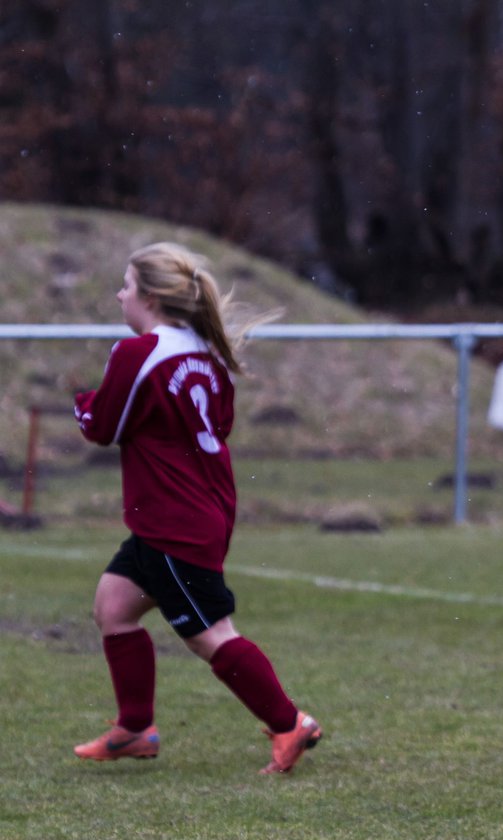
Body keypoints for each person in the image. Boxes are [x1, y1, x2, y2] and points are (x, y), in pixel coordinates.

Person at [71, 242, 322, 774]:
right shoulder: (208, 352)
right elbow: (218, 425)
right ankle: (135, 728)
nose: (119, 294)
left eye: (126, 285)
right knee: (114, 606)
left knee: (211, 636)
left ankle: (288, 723)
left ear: (151, 298)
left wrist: (80, 401)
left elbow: (102, 428)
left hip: (173, 522)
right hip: (196, 508)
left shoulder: (138, 354)